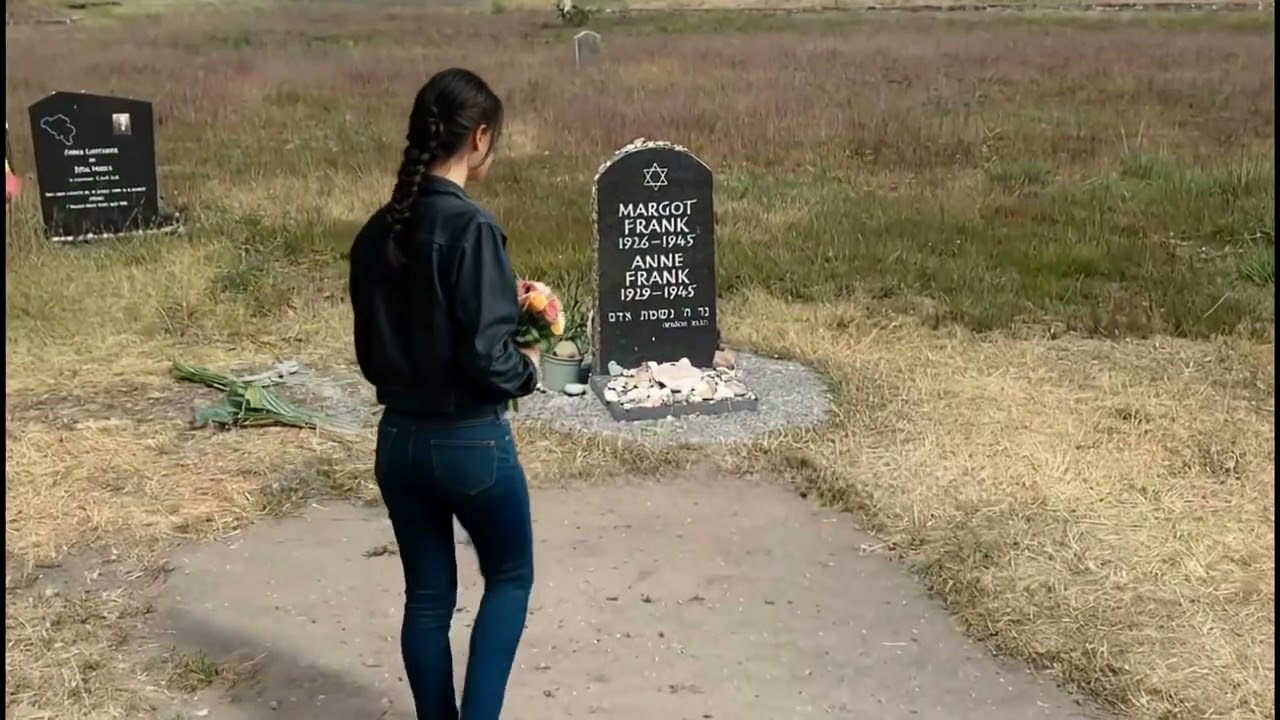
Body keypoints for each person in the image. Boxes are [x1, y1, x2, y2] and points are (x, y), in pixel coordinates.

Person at [348, 68, 540, 720]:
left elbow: (375, 346)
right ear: (480, 136)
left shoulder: (376, 233)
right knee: (510, 578)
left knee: (428, 598)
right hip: (470, 443)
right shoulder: (472, 229)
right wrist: (530, 366)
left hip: (397, 440)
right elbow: (489, 359)